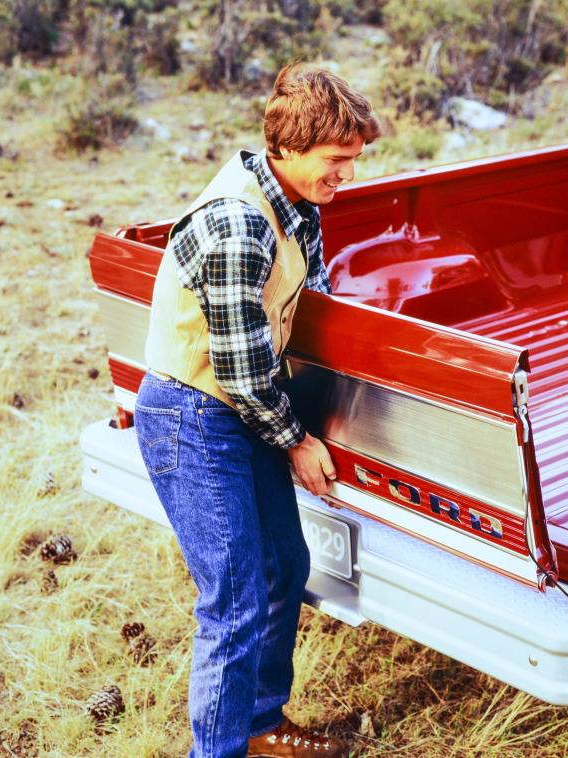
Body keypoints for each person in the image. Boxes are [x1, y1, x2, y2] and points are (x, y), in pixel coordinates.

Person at [133, 63, 380, 757]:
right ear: (292, 146)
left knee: (283, 567)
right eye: (337, 161)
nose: (347, 177)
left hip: (241, 411)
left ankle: (262, 723)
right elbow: (241, 372)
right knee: (234, 601)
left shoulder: (299, 206)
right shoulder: (240, 222)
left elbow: (312, 297)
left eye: (354, 161)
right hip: (193, 417)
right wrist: (299, 441)